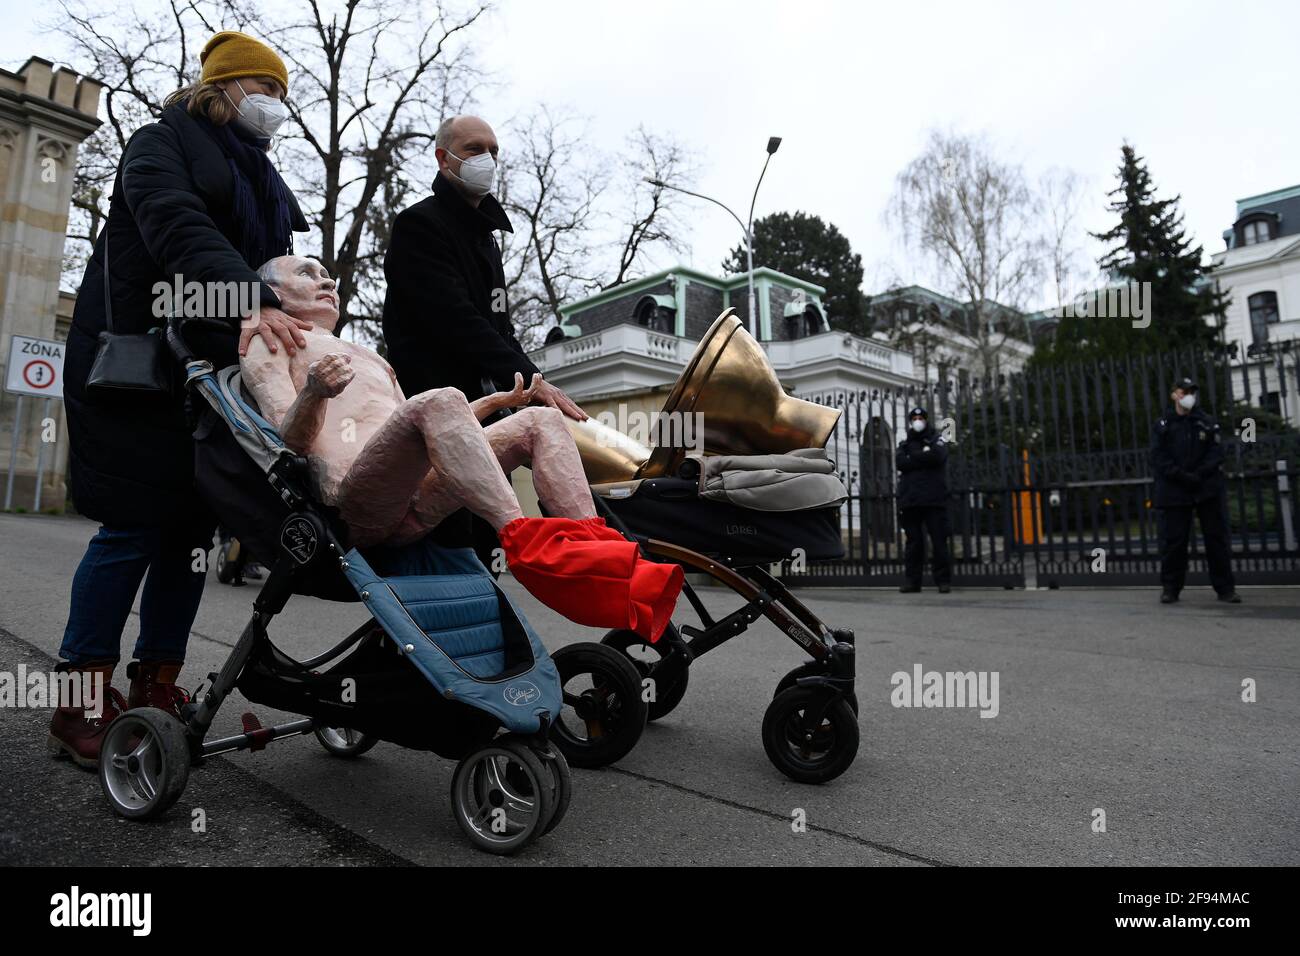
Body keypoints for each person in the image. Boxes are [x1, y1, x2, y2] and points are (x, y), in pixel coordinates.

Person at [53, 31, 310, 767]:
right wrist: (252, 299)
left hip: (214, 379)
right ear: (223, 88)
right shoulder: (158, 145)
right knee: (132, 527)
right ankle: (76, 705)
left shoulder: (263, 178)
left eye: (282, 95)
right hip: (137, 368)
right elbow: (178, 228)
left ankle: (156, 685)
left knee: (191, 538)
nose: (274, 106)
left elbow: (277, 268)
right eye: (264, 89)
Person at [241, 255, 683, 642]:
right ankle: (529, 547)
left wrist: (494, 405)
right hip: (355, 501)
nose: (328, 282)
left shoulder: (368, 354)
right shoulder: (269, 338)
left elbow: (435, 428)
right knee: (441, 398)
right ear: (273, 292)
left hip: (413, 488)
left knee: (539, 421)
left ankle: (600, 554)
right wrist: (315, 392)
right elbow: (288, 440)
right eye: (307, 273)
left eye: (328, 274)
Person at [382, 114, 588, 572]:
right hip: (439, 412)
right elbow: (456, 319)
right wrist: (533, 384)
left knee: (483, 540)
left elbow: (499, 328)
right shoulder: (419, 225)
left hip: (486, 412)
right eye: (475, 149)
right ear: (443, 157)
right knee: (441, 542)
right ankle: (413, 638)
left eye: (493, 151)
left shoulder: (487, 240)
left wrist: (531, 384)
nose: (488, 159)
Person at [1151, 377, 1241, 604]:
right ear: (1174, 395)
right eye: (1184, 391)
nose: (1189, 395)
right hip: (1175, 489)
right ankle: (1171, 588)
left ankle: (1225, 589)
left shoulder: (1207, 422)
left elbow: (1216, 452)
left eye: (1192, 391)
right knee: (1174, 542)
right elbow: (1158, 457)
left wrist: (1199, 474)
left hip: (1206, 487)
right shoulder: (1163, 424)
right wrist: (1181, 475)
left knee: (1216, 539)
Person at [895, 407, 952, 594]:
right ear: (911, 421)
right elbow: (900, 462)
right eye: (915, 418)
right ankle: (913, 582)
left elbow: (937, 457)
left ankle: (943, 581)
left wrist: (914, 457)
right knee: (914, 544)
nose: (918, 420)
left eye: (921, 417)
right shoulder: (904, 444)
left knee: (939, 542)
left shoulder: (938, 440)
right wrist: (923, 457)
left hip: (934, 500)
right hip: (911, 501)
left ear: (926, 420)